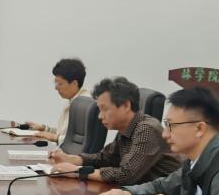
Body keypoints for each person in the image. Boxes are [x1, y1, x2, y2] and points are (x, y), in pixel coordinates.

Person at [49, 76, 179, 184]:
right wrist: (71, 159)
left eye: (105, 109)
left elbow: (126, 174)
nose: (100, 116)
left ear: (125, 106)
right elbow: (104, 158)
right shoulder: (126, 128)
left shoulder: (147, 129)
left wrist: (76, 171)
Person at [14, 58, 86, 148]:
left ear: (74, 83)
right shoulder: (74, 100)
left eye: (60, 84)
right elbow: (64, 134)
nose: (56, 88)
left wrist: (55, 138)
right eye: (55, 83)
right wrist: (44, 128)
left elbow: (81, 142)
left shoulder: (84, 105)